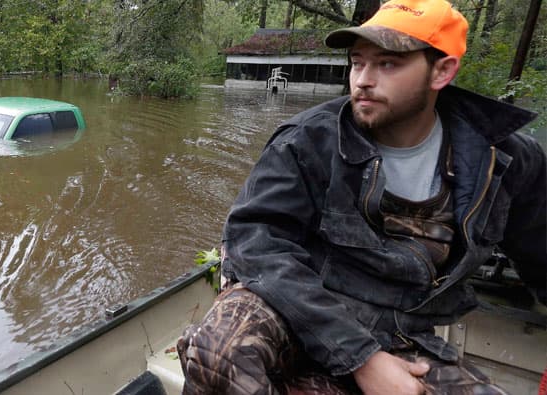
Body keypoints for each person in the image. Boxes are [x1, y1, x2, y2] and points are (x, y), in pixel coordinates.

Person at [177, 0, 546, 393]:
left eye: (387, 64)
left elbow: (540, 252)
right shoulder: (308, 140)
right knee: (217, 349)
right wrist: (362, 358)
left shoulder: (506, 161)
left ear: (442, 70)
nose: (363, 80)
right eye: (357, 62)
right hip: (301, 307)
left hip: (402, 332)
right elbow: (256, 244)